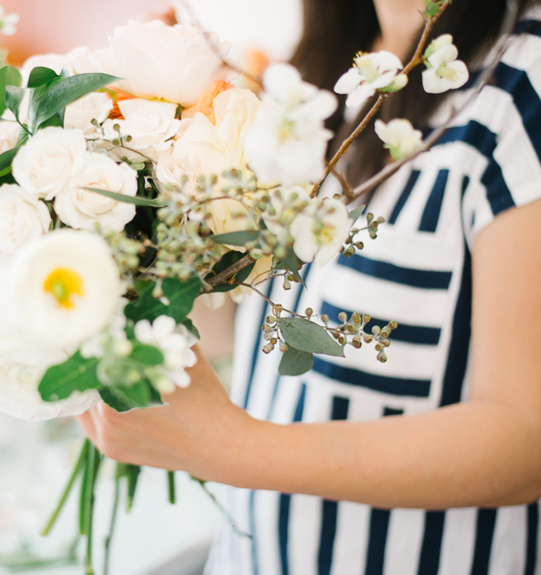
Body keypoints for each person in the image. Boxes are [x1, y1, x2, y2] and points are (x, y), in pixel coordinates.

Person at [76, 0, 541, 572]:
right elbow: (256, 319)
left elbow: (527, 440)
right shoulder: (326, 70)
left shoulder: (525, 89)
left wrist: (229, 447)